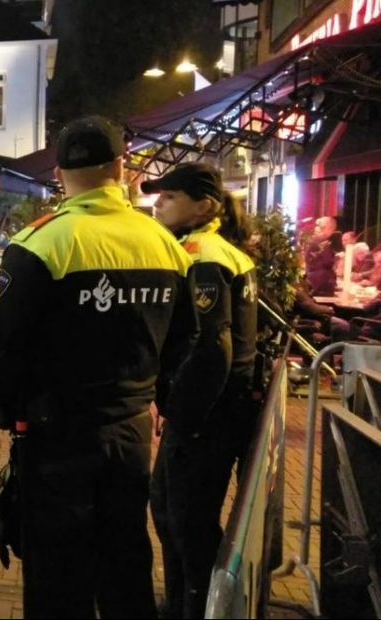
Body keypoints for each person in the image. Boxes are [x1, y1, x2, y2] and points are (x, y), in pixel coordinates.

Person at [0, 116, 198, 619]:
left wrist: (13, 412)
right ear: (122, 167)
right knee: (125, 562)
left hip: (57, 437)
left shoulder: (42, 243)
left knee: (57, 576)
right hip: (133, 434)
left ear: (59, 172)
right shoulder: (164, 244)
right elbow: (185, 342)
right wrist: (156, 399)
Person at [143, 162, 259, 619]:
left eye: (169, 197)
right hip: (221, 409)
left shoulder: (202, 254)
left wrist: (182, 416)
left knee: (185, 520)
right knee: (172, 511)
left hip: (207, 417)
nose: (158, 204)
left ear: (203, 205)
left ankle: (192, 607)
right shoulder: (225, 250)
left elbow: (213, 346)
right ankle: (183, 603)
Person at [305, 216, 338, 296]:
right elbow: (327, 262)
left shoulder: (321, 242)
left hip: (316, 283)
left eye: (320, 226)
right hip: (320, 286)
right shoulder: (318, 242)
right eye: (317, 226)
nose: (316, 229)